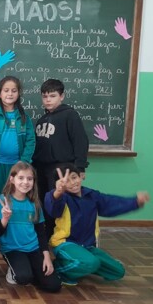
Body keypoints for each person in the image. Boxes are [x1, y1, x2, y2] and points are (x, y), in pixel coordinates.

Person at [45, 164, 150, 285]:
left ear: (81, 176)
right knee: (91, 262)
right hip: (65, 244)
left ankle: (84, 264)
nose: (72, 183)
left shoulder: (92, 195)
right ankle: (59, 270)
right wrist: (58, 192)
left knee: (118, 271)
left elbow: (111, 203)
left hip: (88, 246)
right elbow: (52, 208)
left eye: (74, 177)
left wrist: (135, 202)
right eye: (66, 181)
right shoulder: (62, 197)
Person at [32, 78, 89, 239]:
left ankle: (63, 236)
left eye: (52, 96)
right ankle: (48, 234)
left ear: (61, 96)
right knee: (45, 202)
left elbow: (80, 141)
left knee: (60, 203)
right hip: (41, 168)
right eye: (44, 96)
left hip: (62, 168)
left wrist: (80, 167)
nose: (48, 100)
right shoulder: (42, 120)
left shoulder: (70, 115)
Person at [0, 161, 61, 293]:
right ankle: (16, 271)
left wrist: (47, 256)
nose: (25, 182)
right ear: (12, 179)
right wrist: (5, 218)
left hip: (33, 248)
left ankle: (31, 270)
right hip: (12, 249)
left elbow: (41, 232)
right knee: (24, 278)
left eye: (29, 179)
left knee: (54, 285)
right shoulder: (3, 200)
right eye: (21, 178)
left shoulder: (34, 203)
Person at [0, 76, 35, 213]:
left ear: (19, 93)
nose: (10, 94)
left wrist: (24, 162)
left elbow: (30, 141)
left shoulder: (24, 117)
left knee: (15, 199)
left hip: (17, 168)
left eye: (14, 91)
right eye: (6, 90)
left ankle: (11, 230)